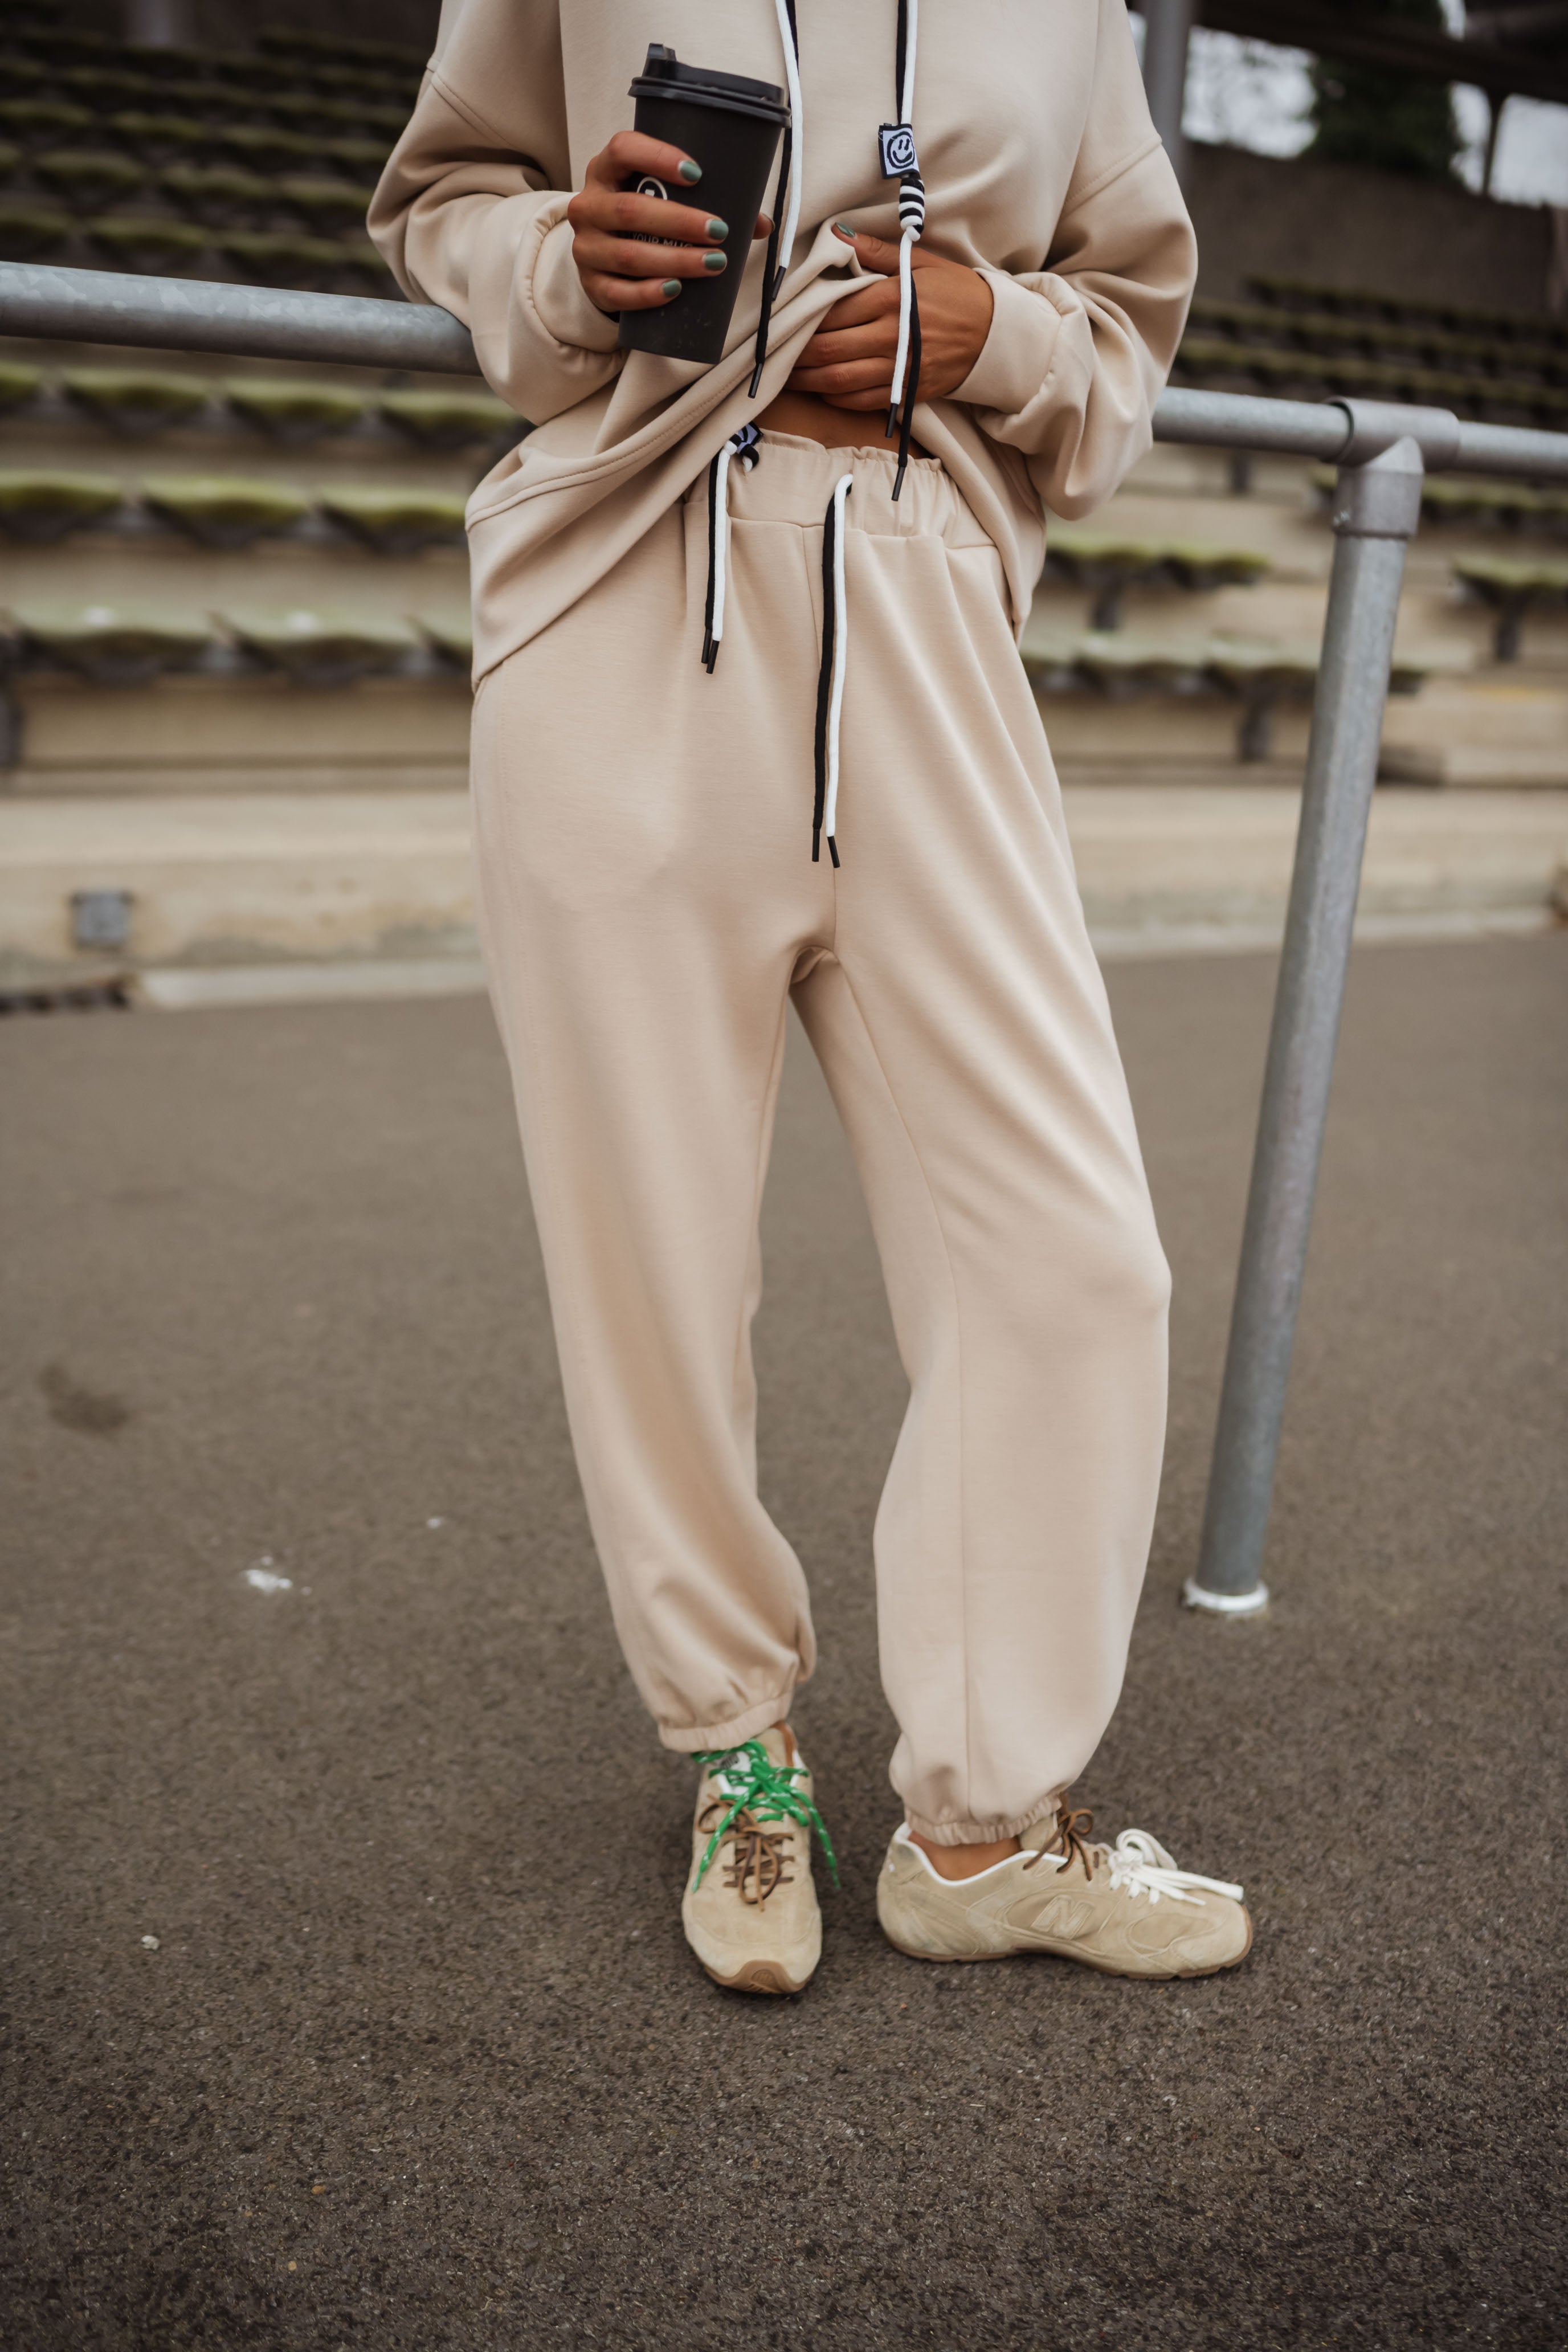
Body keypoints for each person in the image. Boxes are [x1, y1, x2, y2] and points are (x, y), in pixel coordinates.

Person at [370, 0, 1253, 1996]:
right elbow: (445, 197)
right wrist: (553, 260)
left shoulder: (1078, 15)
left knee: (1072, 1253)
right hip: (628, 601)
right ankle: (739, 1754)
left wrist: (992, 336)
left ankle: (981, 1820)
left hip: (930, 612)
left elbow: (1127, 322)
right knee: (655, 1263)